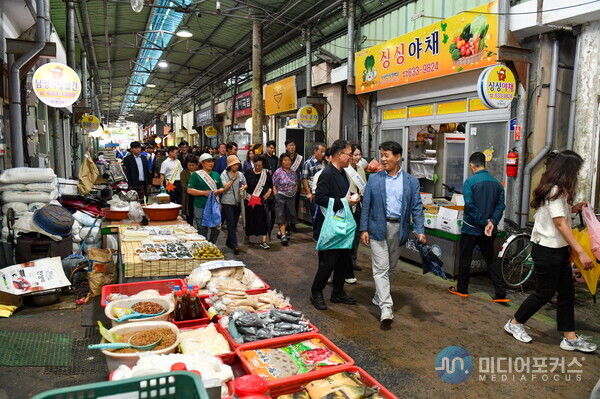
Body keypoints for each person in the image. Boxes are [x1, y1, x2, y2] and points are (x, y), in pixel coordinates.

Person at [504, 150, 597, 353]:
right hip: (547, 250)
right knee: (544, 293)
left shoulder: (560, 191)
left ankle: (569, 338)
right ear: (568, 170)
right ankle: (514, 323)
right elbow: (560, 224)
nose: (578, 174)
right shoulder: (555, 191)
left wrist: (574, 209)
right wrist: (580, 251)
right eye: (577, 170)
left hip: (558, 249)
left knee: (566, 293)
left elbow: (560, 215)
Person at [360, 141, 425, 326]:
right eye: (382, 155)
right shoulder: (374, 179)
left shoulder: (411, 182)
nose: (383, 159)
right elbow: (367, 206)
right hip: (377, 227)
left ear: (397, 157)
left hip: (399, 229)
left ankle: (378, 295)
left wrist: (420, 230)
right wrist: (363, 229)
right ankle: (386, 307)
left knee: (391, 267)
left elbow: (417, 208)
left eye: (387, 155)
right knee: (380, 268)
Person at [448, 152, 509, 302]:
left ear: (472, 165)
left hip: (471, 228)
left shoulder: (470, 182)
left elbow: (470, 205)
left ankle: (462, 289)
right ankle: (501, 294)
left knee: (465, 258)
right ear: (485, 164)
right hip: (489, 230)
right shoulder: (497, 183)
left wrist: (483, 222)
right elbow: (501, 205)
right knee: (490, 258)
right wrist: (492, 222)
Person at [310, 140, 360, 311]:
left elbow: (342, 195)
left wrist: (352, 198)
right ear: (339, 155)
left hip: (342, 225)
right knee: (328, 262)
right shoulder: (327, 173)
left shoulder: (343, 173)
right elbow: (320, 198)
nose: (351, 158)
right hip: (330, 225)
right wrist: (343, 201)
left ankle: (338, 292)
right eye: (349, 155)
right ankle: (316, 292)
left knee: (343, 260)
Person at [187, 153, 225, 243]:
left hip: (214, 206)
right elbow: (189, 190)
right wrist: (203, 193)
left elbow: (222, 187)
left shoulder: (216, 175)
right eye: (208, 161)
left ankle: (212, 243)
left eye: (212, 161)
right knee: (202, 229)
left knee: (217, 227)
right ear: (202, 163)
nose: (211, 163)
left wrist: (219, 191)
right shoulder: (196, 175)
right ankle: (204, 246)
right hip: (200, 205)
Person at [344, 144, 367, 284]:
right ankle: (346, 266)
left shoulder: (360, 169)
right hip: (349, 206)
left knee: (357, 236)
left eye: (360, 155)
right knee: (349, 237)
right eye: (355, 155)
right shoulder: (345, 169)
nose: (358, 157)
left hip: (359, 207)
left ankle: (353, 261)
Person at [244, 154, 273, 250]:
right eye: (255, 165)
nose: (257, 167)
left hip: (261, 201)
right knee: (249, 219)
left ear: (263, 165)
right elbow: (244, 184)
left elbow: (270, 186)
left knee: (263, 220)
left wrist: (268, 193)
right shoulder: (248, 172)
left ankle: (263, 241)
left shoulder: (266, 174)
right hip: (250, 200)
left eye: (259, 166)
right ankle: (247, 236)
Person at [221, 155, 248, 254]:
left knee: (234, 224)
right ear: (229, 165)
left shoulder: (240, 174)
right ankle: (235, 245)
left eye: (237, 164)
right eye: (234, 164)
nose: (236, 166)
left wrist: (244, 187)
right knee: (231, 224)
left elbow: (246, 184)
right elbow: (224, 187)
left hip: (238, 202)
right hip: (227, 202)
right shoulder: (224, 174)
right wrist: (233, 179)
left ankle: (229, 242)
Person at [272, 153, 298, 246]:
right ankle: (283, 235)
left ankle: (282, 232)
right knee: (280, 215)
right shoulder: (278, 172)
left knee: (288, 215)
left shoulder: (293, 172)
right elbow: (274, 185)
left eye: (289, 160)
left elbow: (296, 183)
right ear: (281, 162)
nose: (287, 162)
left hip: (291, 197)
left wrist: (294, 192)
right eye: (285, 160)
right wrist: (276, 195)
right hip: (281, 196)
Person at [280, 139, 303, 232]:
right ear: (286, 147)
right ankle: (286, 224)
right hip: (285, 187)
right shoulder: (283, 157)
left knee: (295, 206)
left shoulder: (299, 158)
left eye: (293, 145)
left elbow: (302, 171)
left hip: (296, 186)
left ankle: (293, 223)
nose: (291, 147)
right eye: (289, 145)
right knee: (286, 206)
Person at [181, 155, 199, 225]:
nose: (191, 167)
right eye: (189, 165)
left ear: (196, 165)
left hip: (199, 196)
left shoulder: (200, 172)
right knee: (189, 215)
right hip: (188, 197)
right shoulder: (184, 173)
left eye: (193, 165)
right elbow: (184, 186)